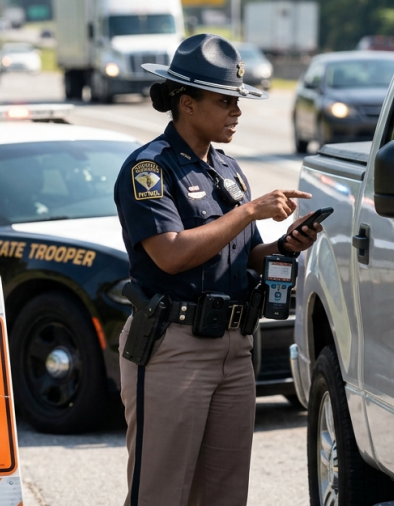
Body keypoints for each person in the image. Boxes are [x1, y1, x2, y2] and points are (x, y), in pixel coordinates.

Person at [114, 33, 322, 506]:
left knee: (225, 495)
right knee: (161, 493)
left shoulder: (227, 170)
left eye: (238, 101)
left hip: (234, 347)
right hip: (175, 346)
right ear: (187, 104)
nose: (237, 112)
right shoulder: (148, 170)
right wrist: (249, 211)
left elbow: (244, 255)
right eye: (225, 101)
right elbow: (170, 253)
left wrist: (287, 245)